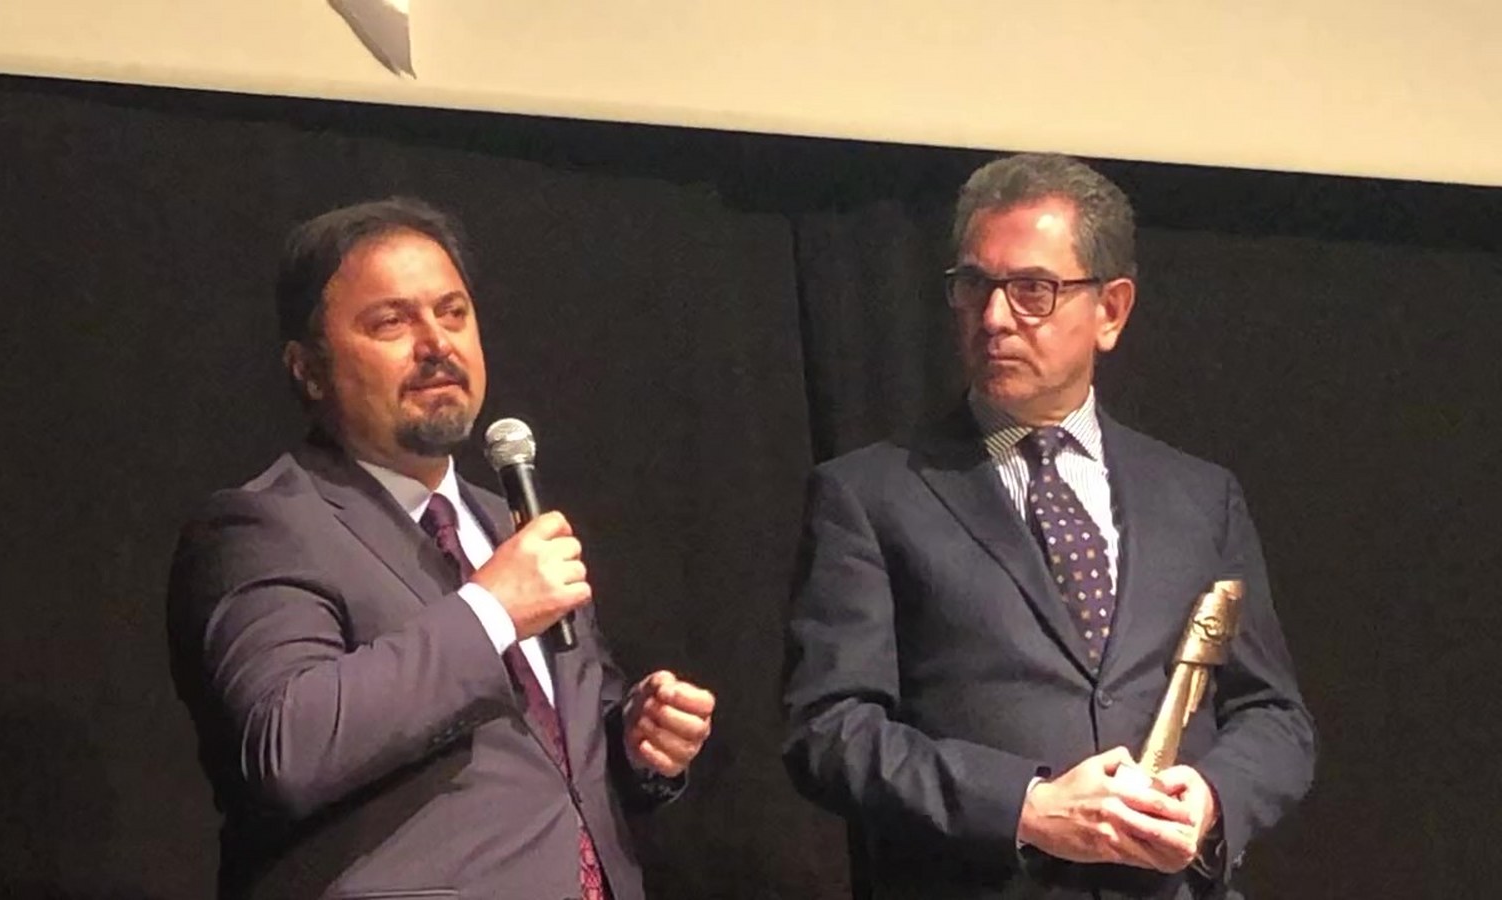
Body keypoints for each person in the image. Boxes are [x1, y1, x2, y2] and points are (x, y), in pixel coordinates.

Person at [781, 153, 1314, 899]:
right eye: (975, 286)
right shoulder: (871, 495)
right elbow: (829, 729)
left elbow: (1274, 715)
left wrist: (1213, 800)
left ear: (1111, 310)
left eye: (1032, 290)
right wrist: (1025, 808)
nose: (995, 318)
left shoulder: (1199, 497)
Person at [167, 197, 715, 900]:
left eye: (453, 313)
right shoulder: (263, 527)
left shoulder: (509, 524)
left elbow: (554, 762)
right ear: (307, 368)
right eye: (391, 322)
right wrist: (490, 611)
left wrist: (637, 742)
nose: (437, 344)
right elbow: (285, 746)